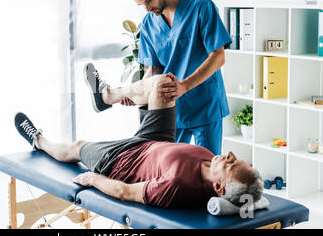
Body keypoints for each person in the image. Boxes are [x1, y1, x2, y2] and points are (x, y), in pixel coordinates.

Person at [14, 64, 263, 209]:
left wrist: (93, 179)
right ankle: (107, 95)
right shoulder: (211, 159)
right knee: (163, 84)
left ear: (218, 187)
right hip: (157, 139)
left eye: (231, 164)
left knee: (76, 147)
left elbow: (125, 192)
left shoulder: (175, 186)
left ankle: (37, 139)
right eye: (236, 158)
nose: (229, 155)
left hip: (120, 161)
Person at [120, 0, 232, 155]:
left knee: (208, 169)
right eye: (142, 5)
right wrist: (138, 91)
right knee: (171, 168)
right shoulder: (149, 24)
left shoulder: (201, 7)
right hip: (172, 108)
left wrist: (184, 86)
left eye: (149, 0)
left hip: (205, 104)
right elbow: (154, 69)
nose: (148, 9)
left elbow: (218, 56)